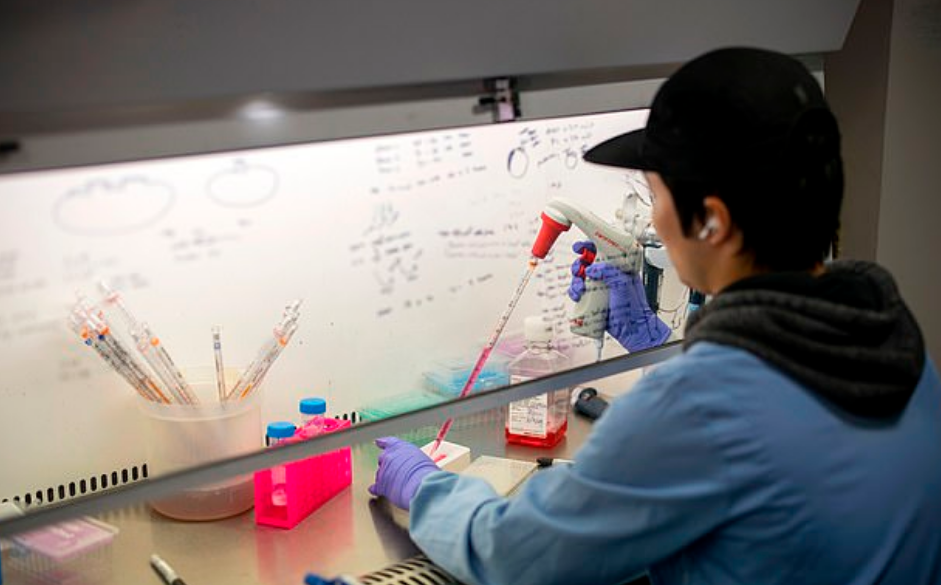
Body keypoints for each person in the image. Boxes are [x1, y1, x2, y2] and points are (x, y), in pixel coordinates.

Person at [368, 47, 941, 585]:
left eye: (655, 196)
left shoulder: (702, 405)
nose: (652, 222)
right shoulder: (891, 340)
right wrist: (655, 342)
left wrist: (426, 488)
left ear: (711, 221)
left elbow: (514, 557)